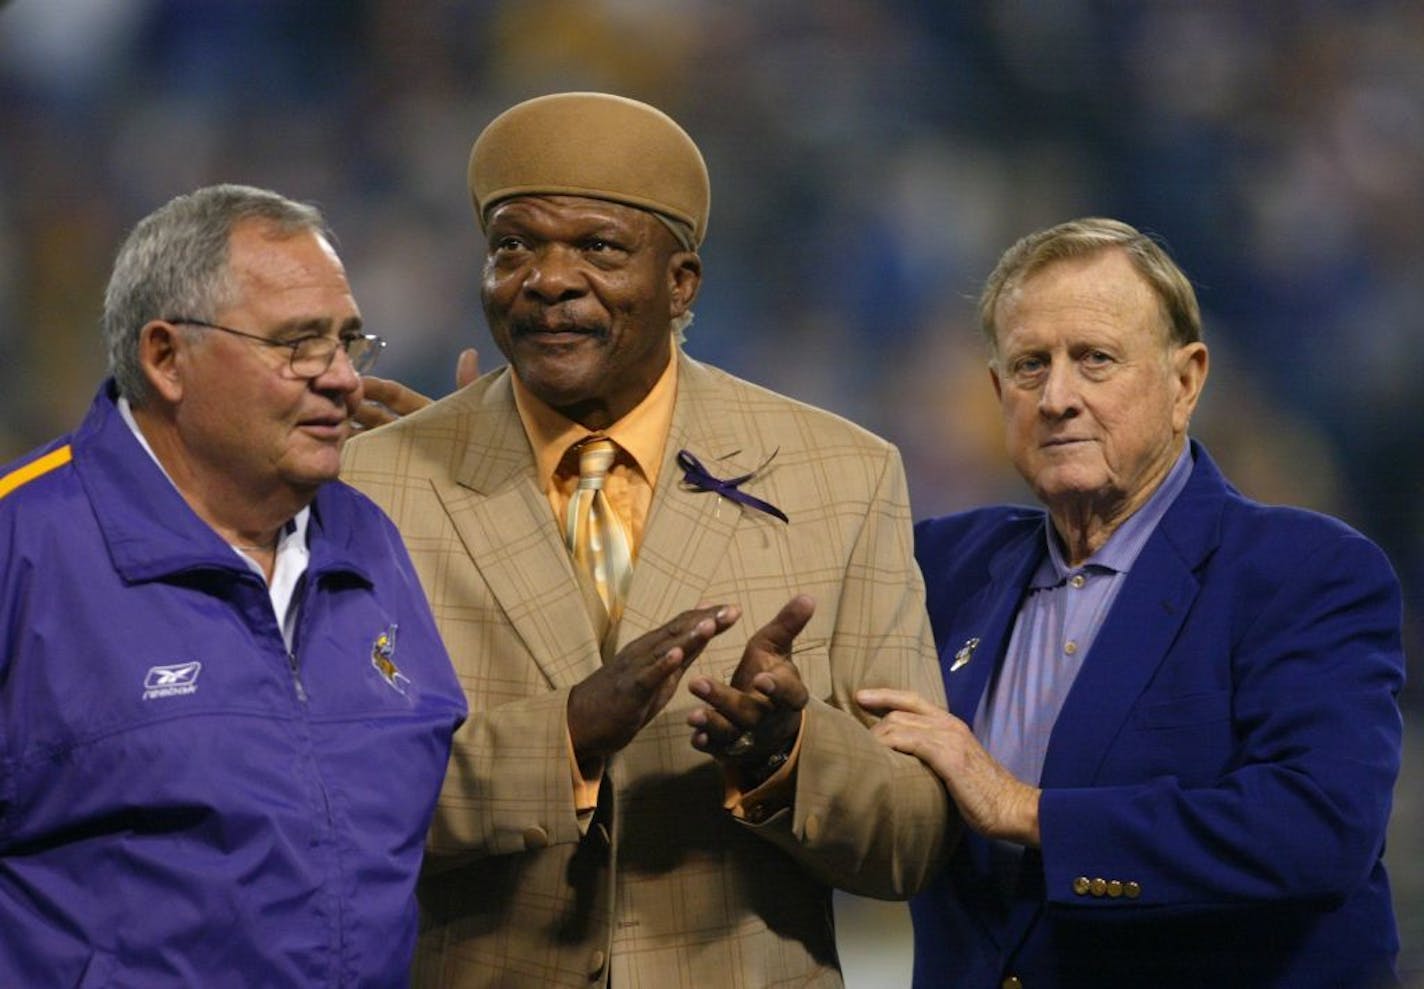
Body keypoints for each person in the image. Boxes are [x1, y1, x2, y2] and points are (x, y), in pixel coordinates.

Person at [341, 92, 956, 988]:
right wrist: (564, 739)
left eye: (597, 246)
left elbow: (912, 840)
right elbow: (330, 802)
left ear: (682, 284)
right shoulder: (373, 486)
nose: (547, 278)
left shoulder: (846, 477)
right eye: (514, 244)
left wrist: (787, 755)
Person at [857, 217, 1406, 988]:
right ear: (995, 394)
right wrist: (775, 746)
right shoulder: (940, 565)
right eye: (1028, 365)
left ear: (1185, 382)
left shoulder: (1307, 571)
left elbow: (1318, 826)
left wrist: (1025, 809)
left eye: (1095, 360)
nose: (1056, 397)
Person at [0, 184, 476, 986]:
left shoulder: (373, 541)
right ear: (165, 357)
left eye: (349, 341)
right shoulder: (22, 548)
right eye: (297, 344)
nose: (342, 381)